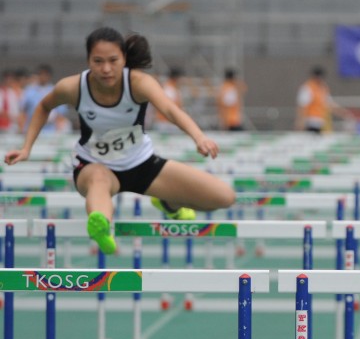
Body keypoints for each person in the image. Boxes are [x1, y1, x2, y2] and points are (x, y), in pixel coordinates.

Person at [4, 27, 236, 255]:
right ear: (88, 60)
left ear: (124, 58)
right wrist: (27, 148)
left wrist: (199, 137)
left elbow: (170, 110)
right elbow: (44, 106)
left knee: (224, 197)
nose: (106, 69)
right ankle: (101, 227)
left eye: (113, 60)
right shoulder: (73, 87)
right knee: (99, 180)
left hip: (141, 164)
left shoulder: (138, 83)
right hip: (94, 165)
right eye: (98, 61)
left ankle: (169, 204)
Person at [295, 66, 355, 133]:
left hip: (321, 122)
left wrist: (343, 112)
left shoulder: (323, 88)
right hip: (311, 122)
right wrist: (301, 121)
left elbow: (329, 104)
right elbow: (302, 106)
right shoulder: (307, 88)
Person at [18, 64, 70, 133]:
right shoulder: (29, 91)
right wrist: (22, 129)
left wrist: (58, 130)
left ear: (49, 76)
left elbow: (60, 114)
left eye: (45, 74)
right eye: (41, 74)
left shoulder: (55, 91)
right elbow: (23, 112)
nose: (43, 77)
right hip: (32, 128)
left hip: (50, 130)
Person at [152, 67, 184, 132]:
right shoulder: (169, 89)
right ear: (176, 78)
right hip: (166, 123)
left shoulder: (172, 88)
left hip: (169, 123)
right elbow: (169, 108)